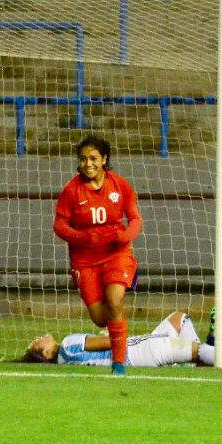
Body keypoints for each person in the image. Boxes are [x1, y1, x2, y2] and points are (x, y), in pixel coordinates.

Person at [53, 135, 142, 376]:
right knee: (101, 319)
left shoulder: (120, 185)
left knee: (115, 300)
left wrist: (126, 237)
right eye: (83, 159)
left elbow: (134, 219)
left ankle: (118, 365)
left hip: (116, 252)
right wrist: (83, 238)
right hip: (85, 260)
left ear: (104, 159)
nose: (87, 164)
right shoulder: (71, 190)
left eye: (93, 158)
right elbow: (59, 226)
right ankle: (116, 327)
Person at [25, 312, 222, 369]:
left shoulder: (67, 361)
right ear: (46, 354)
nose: (39, 338)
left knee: (180, 318)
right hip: (141, 350)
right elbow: (111, 344)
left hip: (139, 351)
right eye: (37, 345)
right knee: (200, 349)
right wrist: (111, 333)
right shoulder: (68, 344)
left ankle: (190, 363)